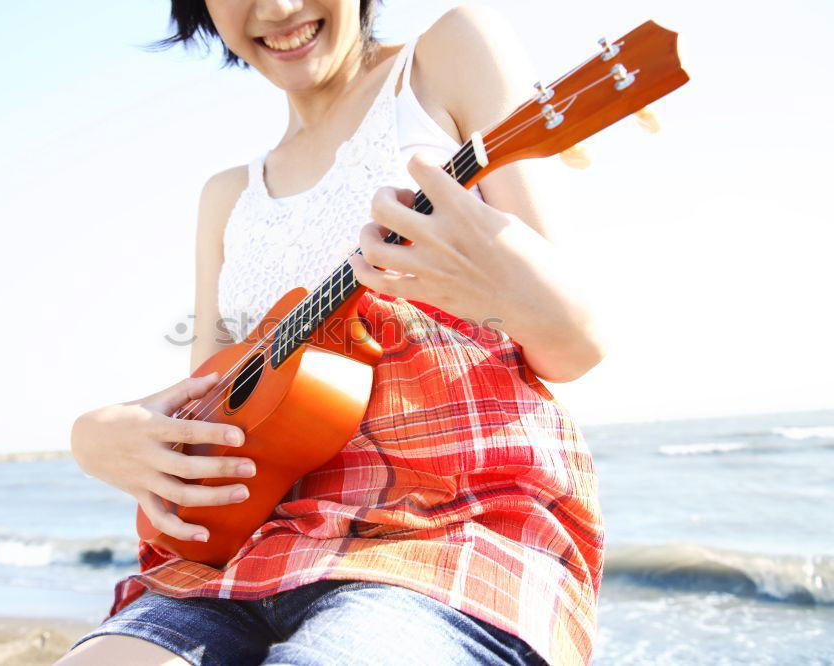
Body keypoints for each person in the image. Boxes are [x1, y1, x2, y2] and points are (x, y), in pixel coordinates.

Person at [58, 1, 606, 664]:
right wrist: (94, 438)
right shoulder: (227, 196)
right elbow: (213, 400)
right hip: (240, 558)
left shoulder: (445, 58)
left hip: (442, 534)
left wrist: (481, 281)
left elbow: (576, 345)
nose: (280, 7)